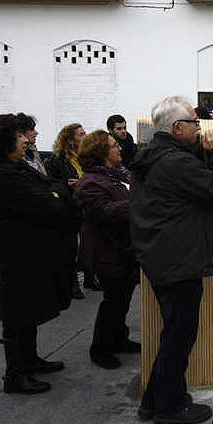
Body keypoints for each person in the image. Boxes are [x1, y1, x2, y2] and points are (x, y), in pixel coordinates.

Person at [131, 96, 213, 424]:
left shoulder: (155, 154)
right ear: (177, 127)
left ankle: (153, 400)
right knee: (179, 336)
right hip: (178, 260)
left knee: (174, 333)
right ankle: (169, 408)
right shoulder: (175, 163)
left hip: (164, 256)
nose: (200, 127)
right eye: (194, 122)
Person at [0, 114, 67, 394]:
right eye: (19, 136)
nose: (26, 140)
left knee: (29, 309)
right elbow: (50, 204)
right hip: (17, 252)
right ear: (3, 142)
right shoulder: (2, 174)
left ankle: (30, 360)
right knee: (17, 314)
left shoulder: (13, 167)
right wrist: (55, 196)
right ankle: (15, 374)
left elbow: (51, 188)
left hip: (28, 248)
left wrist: (54, 194)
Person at [75, 130, 140, 370]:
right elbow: (105, 212)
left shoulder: (118, 174)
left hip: (124, 250)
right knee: (113, 301)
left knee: (123, 299)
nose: (119, 148)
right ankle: (100, 348)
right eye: (114, 145)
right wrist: (139, 203)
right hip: (107, 252)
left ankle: (118, 338)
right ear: (101, 153)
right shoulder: (91, 182)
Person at [49, 123, 87, 300]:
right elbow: (53, 183)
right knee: (71, 248)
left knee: (86, 244)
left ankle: (89, 277)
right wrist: (67, 184)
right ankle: (72, 283)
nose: (85, 137)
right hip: (69, 206)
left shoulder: (85, 157)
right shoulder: (59, 160)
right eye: (81, 134)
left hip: (84, 205)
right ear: (70, 140)